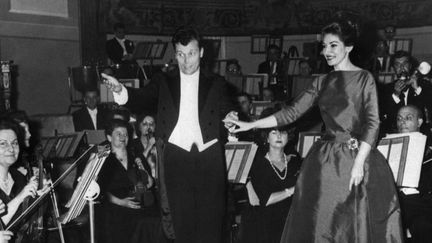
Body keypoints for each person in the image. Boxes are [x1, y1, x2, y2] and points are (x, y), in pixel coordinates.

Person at [224, 20, 403, 242]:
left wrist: (358, 164)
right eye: (324, 46)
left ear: (348, 47)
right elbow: (290, 113)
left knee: (353, 222)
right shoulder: (322, 82)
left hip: (359, 158)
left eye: (333, 45)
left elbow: (373, 123)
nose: (326, 51)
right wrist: (250, 124)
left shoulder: (364, 78)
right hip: (326, 162)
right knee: (325, 222)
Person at [102, 26, 235, 243]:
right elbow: (142, 97)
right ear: (175, 54)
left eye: (191, 53)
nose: (186, 61)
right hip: (176, 157)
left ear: (201, 52)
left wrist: (231, 117)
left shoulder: (217, 83)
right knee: (181, 222)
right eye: (180, 54)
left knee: (210, 223)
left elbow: (227, 108)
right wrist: (120, 90)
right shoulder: (163, 80)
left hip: (209, 158)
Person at [98, 119, 160, 243]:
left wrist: (143, 170)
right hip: (114, 204)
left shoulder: (134, 153)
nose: (123, 137)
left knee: (154, 221)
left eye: (125, 134)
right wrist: (121, 202)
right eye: (118, 134)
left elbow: (150, 183)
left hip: (138, 199)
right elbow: (99, 190)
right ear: (109, 137)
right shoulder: (103, 156)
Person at [240, 121, 301, 243]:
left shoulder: (294, 162)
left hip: (291, 219)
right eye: (274, 132)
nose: (279, 136)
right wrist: (294, 189)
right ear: (266, 138)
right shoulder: (258, 164)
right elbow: (266, 199)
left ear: (288, 137)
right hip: (265, 222)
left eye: (283, 132)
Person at [395, 105, 432, 243]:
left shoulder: (428, 146)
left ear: (420, 122)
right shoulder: (387, 143)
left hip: (419, 201)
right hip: (393, 198)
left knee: (421, 224)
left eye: (408, 118)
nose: (402, 122)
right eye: (399, 119)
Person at [0, 118, 40, 241]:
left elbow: (25, 224)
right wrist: (20, 197)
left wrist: (38, 195)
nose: (11, 149)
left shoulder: (19, 178)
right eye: (3, 144)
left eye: (15, 143)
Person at [379, 50, 432, 134]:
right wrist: (395, 95)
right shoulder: (386, 89)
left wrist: (417, 88)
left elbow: (429, 107)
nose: (402, 67)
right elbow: (384, 115)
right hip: (395, 136)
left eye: (405, 64)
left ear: (410, 66)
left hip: (421, 136)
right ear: (393, 68)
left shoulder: (424, 85)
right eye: (397, 65)